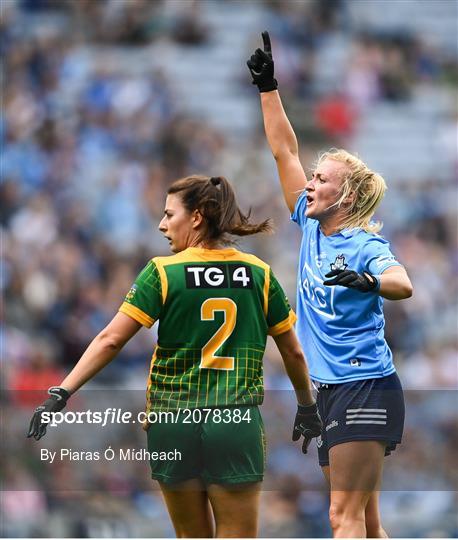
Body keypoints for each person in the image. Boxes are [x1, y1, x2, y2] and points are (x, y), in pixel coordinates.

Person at [27, 174, 322, 538]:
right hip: (234, 421)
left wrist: (63, 391)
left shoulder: (163, 272)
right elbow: (292, 349)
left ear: (196, 217)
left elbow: (109, 341)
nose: (162, 224)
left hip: (173, 420)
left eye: (169, 215)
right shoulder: (258, 274)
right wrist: (307, 406)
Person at [247, 33, 413, 538]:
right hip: (332, 392)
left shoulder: (363, 244)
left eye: (322, 179)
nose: (310, 184)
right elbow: (284, 151)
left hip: (365, 386)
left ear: (347, 195)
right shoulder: (312, 224)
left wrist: (367, 281)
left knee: (342, 518)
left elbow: (401, 283)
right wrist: (268, 87)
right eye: (314, 177)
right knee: (366, 523)